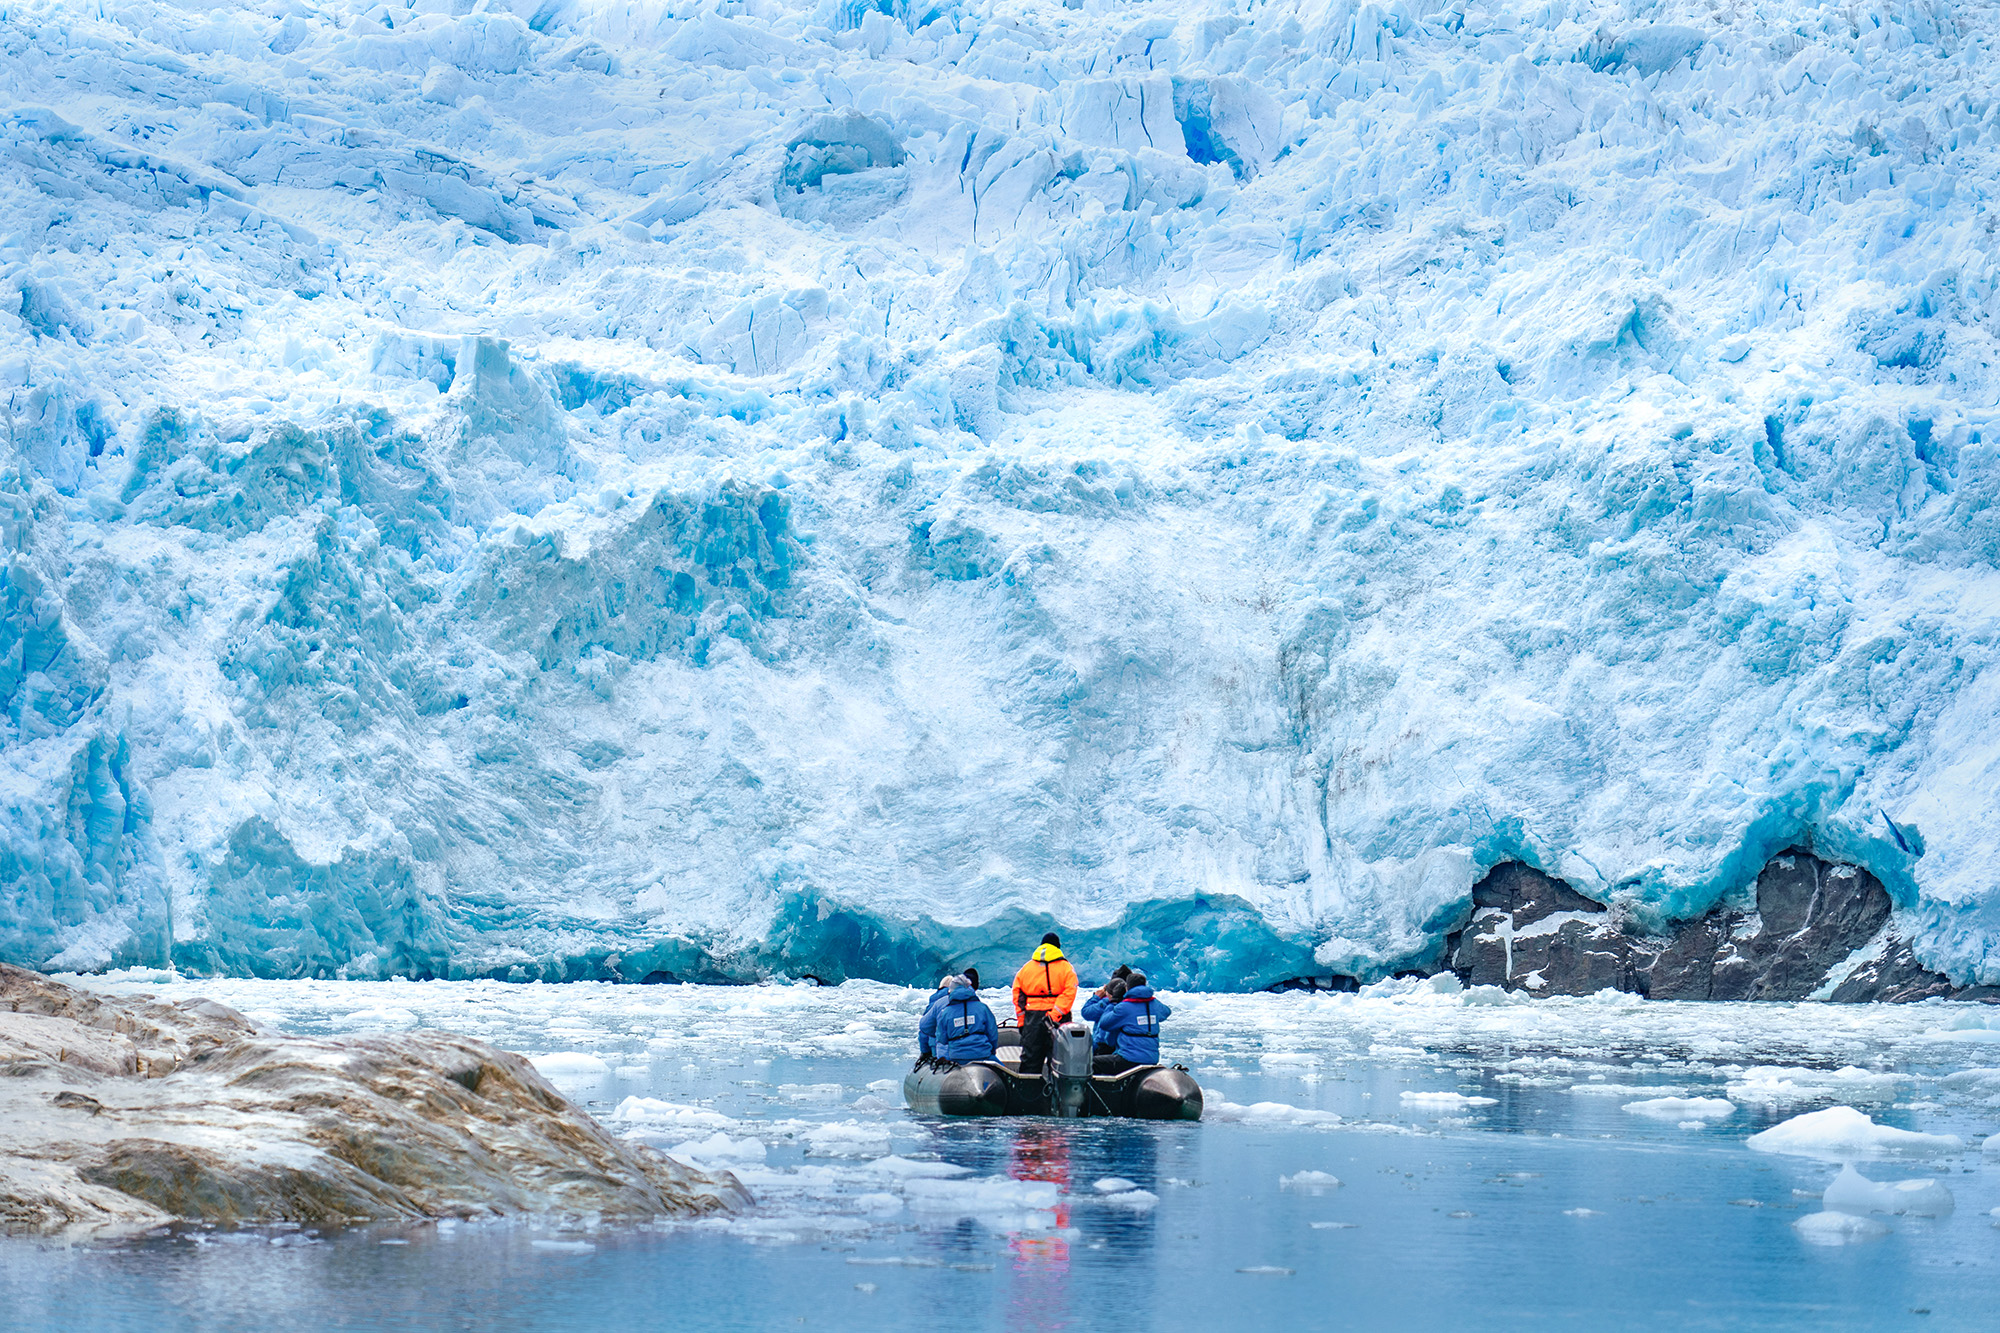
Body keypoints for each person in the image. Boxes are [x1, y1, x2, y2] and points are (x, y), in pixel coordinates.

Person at [1011, 933, 1078, 1076]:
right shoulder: (1066, 968)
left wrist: (1022, 1022)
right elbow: (1069, 993)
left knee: (1030, 1060)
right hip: (1058, 1020)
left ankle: (1027, 1093)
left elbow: (1018, 995)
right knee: (1059, 1061)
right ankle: (1057, 1096)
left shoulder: (1026, 968)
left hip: (1032, 1018)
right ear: (1058, 947)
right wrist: (1054, 1015)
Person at [1092, 970, 1170, 1074]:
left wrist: (1113, 1002)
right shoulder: (1154, 1004)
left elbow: (1105, 1024)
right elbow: (1166, 1012)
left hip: (1129, 1059)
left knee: (1092, 1062)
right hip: (1152, 1058)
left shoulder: (1124, 1007)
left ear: (1127, 988)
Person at [926, 973, 998, 1063]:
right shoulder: (982, 1008)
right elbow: (992, 1033)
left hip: (956, 1056)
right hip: (981, 1054)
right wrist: (992, 1051)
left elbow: (942, 1038)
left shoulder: (946, 1012)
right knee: (1003, 1071)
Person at [916, 967, 980, 1062]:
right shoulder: (977, 1005)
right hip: (971, 1052)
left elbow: (924, 1029)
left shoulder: (936, 1002)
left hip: (940, 1052)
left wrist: (925, 1053)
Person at [1081, 976, 1128, 1060]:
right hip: (1121, 1047)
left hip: (1102, 1046)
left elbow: (1086, 1012)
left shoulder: (1106, 1004)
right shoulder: (1129, 1005)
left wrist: (1096, 997)